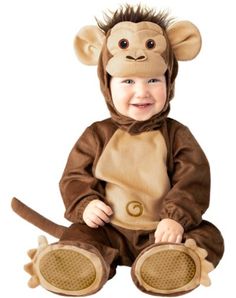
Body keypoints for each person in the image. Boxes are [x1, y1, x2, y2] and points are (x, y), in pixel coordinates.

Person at [12, 4, 224, 296]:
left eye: (153, 80)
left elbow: (194, 178)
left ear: (169, 81)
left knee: (209, 236)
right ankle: (82, 260)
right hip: (108, 229)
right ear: (107, 85)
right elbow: (74, 176)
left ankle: (168, 265)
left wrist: (177, 217)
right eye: (127, 81)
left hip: (161, 233)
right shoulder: (96, 135)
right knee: (81, 235)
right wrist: (86, 204)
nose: (142, 92)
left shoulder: (177, 135)